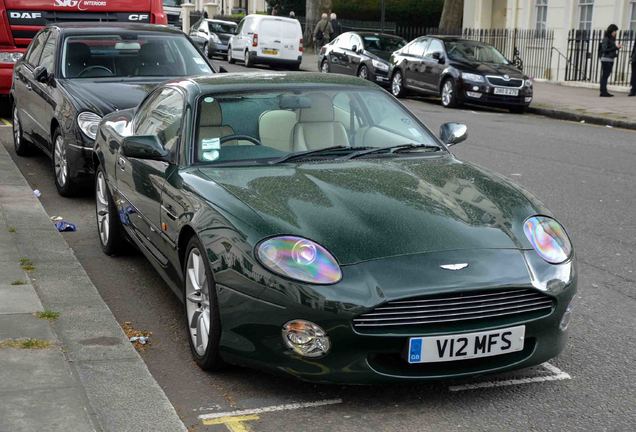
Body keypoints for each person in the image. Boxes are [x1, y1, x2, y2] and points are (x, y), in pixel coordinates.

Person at [599, 24, 622, 97]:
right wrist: (616, 48)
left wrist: (615, 53)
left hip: (610, 59)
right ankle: (603, 92)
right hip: (606, 60)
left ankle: (603, 91)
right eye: (615, 31)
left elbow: (610, 50)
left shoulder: (611, 39)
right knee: (605, 76)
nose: (615, 33)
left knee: (606, 75)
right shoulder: (606, 38)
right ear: (611, 31)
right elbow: (604, 49)